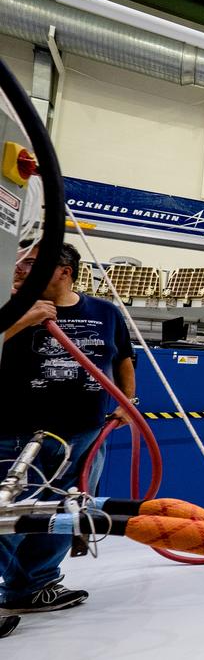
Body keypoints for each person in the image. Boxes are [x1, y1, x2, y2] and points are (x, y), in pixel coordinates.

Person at [0, 243, 136, 636]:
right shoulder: (9, 306)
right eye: (20, 262)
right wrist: (25, 320)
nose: (20, 269)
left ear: (63, 272)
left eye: (31, 263)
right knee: (11, 513)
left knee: (67, 511)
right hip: (16, 434)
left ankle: (34, 586)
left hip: (83, 434)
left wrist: (128, 401)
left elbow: (123, 359)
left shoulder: (105, 312)